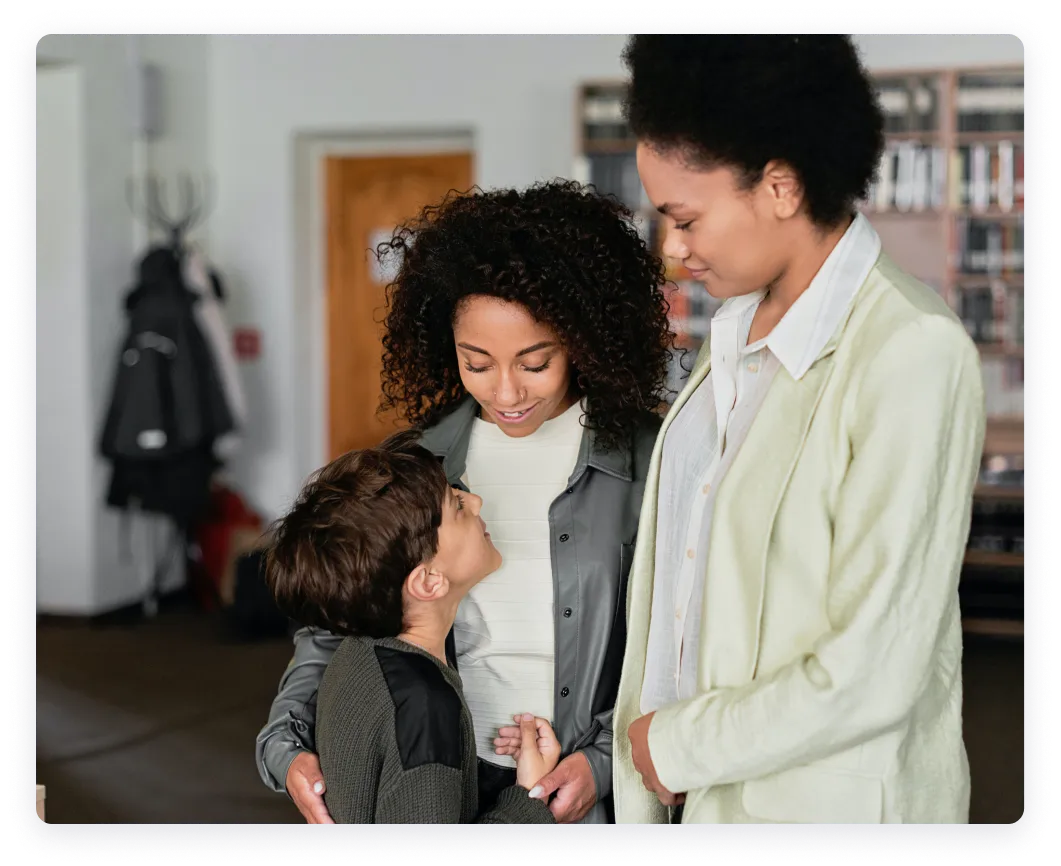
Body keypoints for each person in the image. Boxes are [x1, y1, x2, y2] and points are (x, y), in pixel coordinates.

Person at [612, 34, 986, 824]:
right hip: (687, 801)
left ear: (779, 187)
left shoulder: (910, 349)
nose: (671, 250)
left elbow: (875, 665)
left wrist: (678, 745)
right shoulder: (732, 332)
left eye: (684, 219)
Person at [256, 180, 675, 825]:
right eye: (476, 363)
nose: (505, 393)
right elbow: (337, 621)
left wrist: (599, 764)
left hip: (584, 793)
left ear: (582, 340)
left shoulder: (653, 462)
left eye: (534, 363)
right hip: (435, 782)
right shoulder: (417, 463)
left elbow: (684, 645)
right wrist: (285, 745)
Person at [263, 430, 560, 823]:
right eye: (457, 506)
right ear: (429, 582)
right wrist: (528, 797)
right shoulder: (426, 708)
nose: (476, 501)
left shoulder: (355, 657)